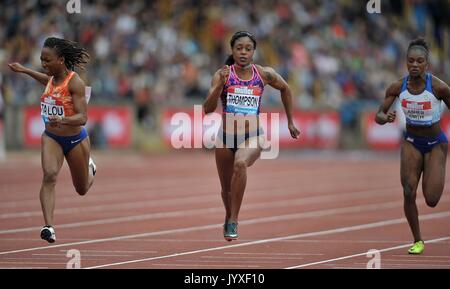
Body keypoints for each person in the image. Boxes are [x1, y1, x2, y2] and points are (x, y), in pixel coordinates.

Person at [203, 31, 300, 241]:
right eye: (239, 48)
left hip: (253, 136)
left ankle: (234, 220)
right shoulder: (222, 75)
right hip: (225, 138)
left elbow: (286, 89)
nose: (244, 52)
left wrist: (290, 121)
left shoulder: (264, 74)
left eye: (248, 48)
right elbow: (207, 109)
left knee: (241, 164)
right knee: (226, 191)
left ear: (254, 51)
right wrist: (219, 86)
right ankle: (228, 213)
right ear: (232, 51)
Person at [8, 37, 97, 243]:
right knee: (49, 175)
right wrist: (24, 70)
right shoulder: (51, 78)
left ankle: (91, 168)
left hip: (75, 139)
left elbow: (83, 118)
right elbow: (44, 79)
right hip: (51, 137)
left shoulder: (75, 83)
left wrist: (63, 119)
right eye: (42, 59)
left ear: (61, 60)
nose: (43, 64)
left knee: (82, 189)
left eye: (47, 60)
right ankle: (48, 226)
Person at [375, 38, 450, 254]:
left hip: (436, 144)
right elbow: (378, 115)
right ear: (406, 63)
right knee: (408, 191)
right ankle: (418, 240)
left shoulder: (439, 88)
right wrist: (384, 117)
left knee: (432, 200)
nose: (414, 65)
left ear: (427, 64)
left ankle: (433, 172)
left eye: (419, 61)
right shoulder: (397, 87)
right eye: (410, 61)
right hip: (411, 142)